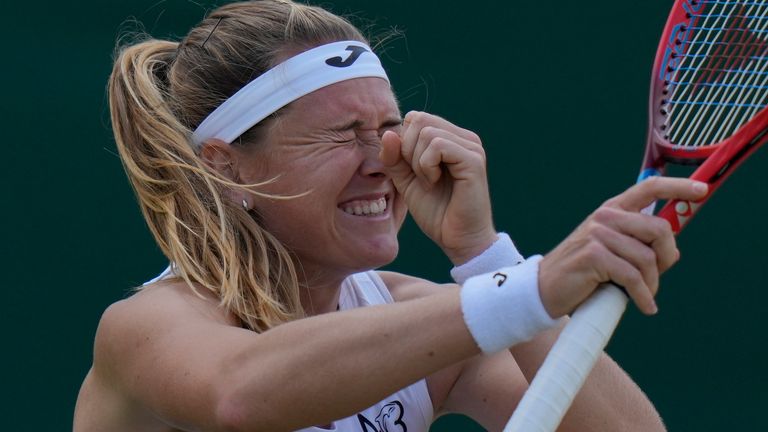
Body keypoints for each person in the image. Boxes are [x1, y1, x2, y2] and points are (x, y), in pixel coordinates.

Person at [73, 1, 709, 431]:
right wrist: (531, 288)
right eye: (342, 134)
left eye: (387, 127)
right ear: (227, 167)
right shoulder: (146, 327)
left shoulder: (424, 323)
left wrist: (486, 257)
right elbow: (241, 392)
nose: (383, 159)